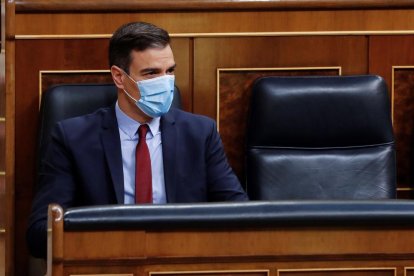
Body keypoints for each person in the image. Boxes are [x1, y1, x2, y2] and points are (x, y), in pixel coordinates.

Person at [26, 22, 248, 259]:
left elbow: (241, 217)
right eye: (151, 73)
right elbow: (40, 235)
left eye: (170, 71)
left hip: (181, 262)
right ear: (119, 77)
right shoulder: (72, 138)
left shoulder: (200, 133)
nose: (165, 82)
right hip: (108, 265)